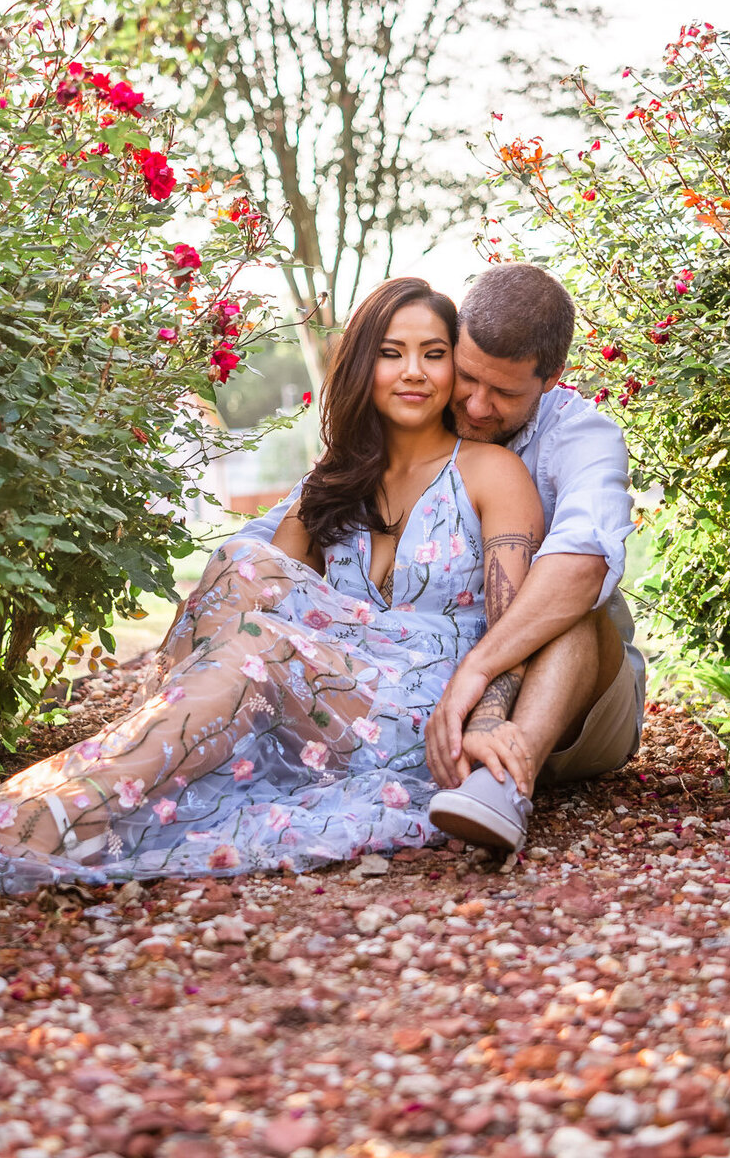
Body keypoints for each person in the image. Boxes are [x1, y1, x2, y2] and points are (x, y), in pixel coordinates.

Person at [0, 277, 543, 893]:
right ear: (361, 366)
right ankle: (97, 789)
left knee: (252, 615)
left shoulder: (491, 471)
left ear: (453, 369)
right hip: (332, 693)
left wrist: (485, 720)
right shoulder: (337, 480)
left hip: (419, 709)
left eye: (434, 355)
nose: (413, 371)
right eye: (391, 353)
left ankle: (73, 808)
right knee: (246, 566)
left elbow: (512, 625)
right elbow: (262, 591)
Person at [245, 263, 644, 854]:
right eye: (468, 378)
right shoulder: (397, 439)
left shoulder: (582, 436)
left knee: (569, 603)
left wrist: (477, 675)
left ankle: (503, 784)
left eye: (505, 393)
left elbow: (583, 563)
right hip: (426, 694)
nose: (478, 406)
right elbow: (267, 545)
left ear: (552, 378)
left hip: (575, 700)